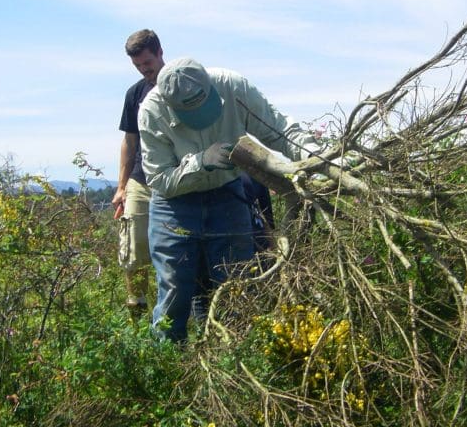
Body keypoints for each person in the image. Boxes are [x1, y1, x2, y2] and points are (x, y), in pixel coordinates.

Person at [138, 57, 320, 342]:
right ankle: (169, 365)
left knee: (236, 284)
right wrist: (201, 161)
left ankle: (234, 361)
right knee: (175, 291)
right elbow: (160, 180)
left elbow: (278, 128)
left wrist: (311, 154)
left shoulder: (232, 87)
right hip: (174, 206)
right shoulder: (151, 112)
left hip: (227, 195)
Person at [111, 29, 166, 314]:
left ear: (160, 53)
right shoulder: (135, 93)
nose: (144, 70)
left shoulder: (182, 85)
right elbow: (129, 141)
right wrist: (121, 187)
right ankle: (137, 312)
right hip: (140, 181)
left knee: (176, 248)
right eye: (138, 66)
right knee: (135, 248)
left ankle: (174, 314)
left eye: (147, 63)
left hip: (175, 182)